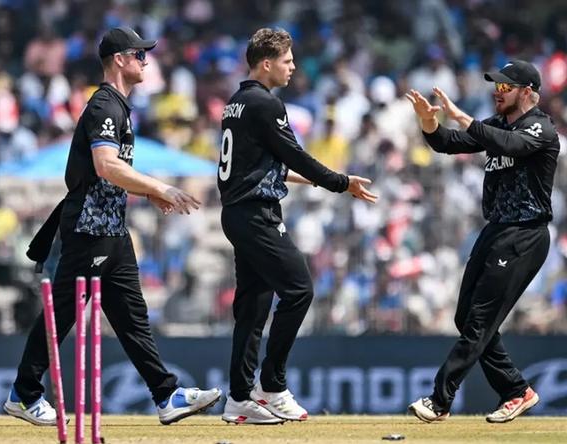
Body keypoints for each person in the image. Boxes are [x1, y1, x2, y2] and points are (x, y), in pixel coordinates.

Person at [6, 27, 221, 427]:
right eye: (139, 55)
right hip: (89, 228)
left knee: (132, 317)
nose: (145, 61)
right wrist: (159, 187)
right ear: (119, 60)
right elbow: (105, 165)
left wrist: (145, 193)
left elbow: (109, 173)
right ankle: (24, 393)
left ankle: (166, 394)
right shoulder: (104, 105)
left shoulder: (120, 106)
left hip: (111, 228)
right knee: (64, 312)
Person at [217, 28, 377, 425]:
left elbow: (266, 165)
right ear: (266, 64)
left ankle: (239, 398)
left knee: (253, 307)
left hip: (239, 213)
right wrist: (341, 182)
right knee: (299, 289)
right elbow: (296, 155)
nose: (293, 67)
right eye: (287, 61)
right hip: (256, 214)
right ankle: (272, 386)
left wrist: (321, 182)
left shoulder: (236, 103)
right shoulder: (266, 104)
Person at [406, 60, 557, 423]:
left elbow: (510, 144)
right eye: (496, 86)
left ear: (527, 92)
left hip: (525, 233)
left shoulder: (541, 127)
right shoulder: (498, 125)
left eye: (505, 87)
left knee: (479, 321)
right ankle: (517, 390)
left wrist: (460, 116)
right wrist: (429, 122)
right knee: (465, 318)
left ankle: (440, 400)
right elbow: (447, 143)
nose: (497, 92)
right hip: (496, 230)